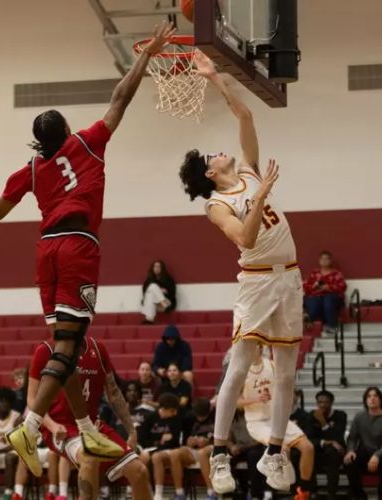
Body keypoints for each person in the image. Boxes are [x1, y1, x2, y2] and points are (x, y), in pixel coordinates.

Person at [0, 22, 176, 475]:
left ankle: (85, 426)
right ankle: (30, 425)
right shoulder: (86, 143)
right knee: (69, 348)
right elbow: (121, 98)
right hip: (77, 247)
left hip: (46, 251)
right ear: (67, 129)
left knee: (64, 348)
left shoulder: (32, 170)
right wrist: (147, 55)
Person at [178, 50, 302, 494]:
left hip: (289, 278)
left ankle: (274, 453)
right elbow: (246, 240)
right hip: (256, 282)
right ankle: (218, 455)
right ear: (210, 173)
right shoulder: (217, 205)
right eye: (212, 155)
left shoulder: (248, 170)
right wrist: (262, 196)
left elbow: (245, 115)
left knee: (286, 371)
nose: (220, 151)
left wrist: (215, 77)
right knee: (241, 364)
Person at [28, 335, 152, 500]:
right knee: (89, 458)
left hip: (91, 425)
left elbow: (114, 392)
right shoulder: (46, 349)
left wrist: (131, 430)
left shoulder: (98, 349)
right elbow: (32, 399)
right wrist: (52, 425)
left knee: (139, 471)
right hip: (61, 425)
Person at [238, 346, 313, 499]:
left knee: (308, 448)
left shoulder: (271, 365)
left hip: (277, 417)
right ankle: (275, 472)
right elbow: (235, 403)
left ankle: (303, 491)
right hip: (257, 422)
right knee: (282, 448)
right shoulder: (241, 371)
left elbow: (285, 386)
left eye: (255, 345)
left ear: (260, 348)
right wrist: (256, 399)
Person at [344, 387, 382, 500]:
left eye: (375, 396)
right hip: (365, 452)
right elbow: (352, 438)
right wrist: (350, 450)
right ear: (365, 400)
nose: (372, 399)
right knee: (349, 461)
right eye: (369, 396)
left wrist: (377, 455)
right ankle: (360, 496)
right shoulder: (359, 417)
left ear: (381, 400)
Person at [137, 393, 182, 500]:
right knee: (143, 457)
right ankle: (146, 491)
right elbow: (142, 439)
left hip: (169, 450)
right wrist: (159, 441)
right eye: (172, 410)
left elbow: (175, 441)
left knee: (156, 457)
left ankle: (158, 494)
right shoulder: (150, 418)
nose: (174, 413)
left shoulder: (176, 418)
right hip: (153, 448)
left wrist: (162, 443)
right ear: (163, 409)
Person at [169, 398, 217, 500]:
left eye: (203, 416)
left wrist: (208, 441)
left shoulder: (216, 416)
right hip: (194, 450)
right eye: (198, 416)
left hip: (213, 447)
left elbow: (225, 438)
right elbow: (183, 439)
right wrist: (188, 442)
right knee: (174, 453)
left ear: (209, 411)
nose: (200, 419)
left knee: (202, 453)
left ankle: (211, 492)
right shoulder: (188, 417)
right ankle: (179, 493)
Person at [306, 390, 346, 500]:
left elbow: (338, 438)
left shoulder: (340, 415)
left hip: (335, 453)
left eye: (326, 402)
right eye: (320, 402)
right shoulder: (310, 416)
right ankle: (312, 491)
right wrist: (329, 442)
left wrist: (323, 422)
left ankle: (331, 493)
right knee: (309, 452)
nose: (322, 405)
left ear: (331, 403)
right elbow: (309, 438)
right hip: (318, 450)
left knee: (333, 454)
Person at [302, 251, 347, 332]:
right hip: (316, 296)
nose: (324, 261)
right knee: (313, 304)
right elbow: (305, 286)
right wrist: (314, 286)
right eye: (322, 259)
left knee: (328, 302)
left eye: (326, 259)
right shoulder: (314, 273)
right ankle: (309, 323)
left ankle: (333, 327)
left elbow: (342, 287)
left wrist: (329, 287)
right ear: (319, 260)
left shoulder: (336, 273)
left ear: (330, 261)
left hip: (331, 296)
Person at [141, 260, 176, 324]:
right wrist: (159, 290)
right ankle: (150, 319)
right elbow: (145, 294)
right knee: (151, 291)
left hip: (167, 303)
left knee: (152, 286)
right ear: (152, 268)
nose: (156, 268)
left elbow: (172, 293)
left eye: (158, 267)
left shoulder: (168, 279)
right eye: (155, 266)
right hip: (156, 306)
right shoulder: (149, 280)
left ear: (162, 268)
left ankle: (149, 319)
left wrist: (165, 292)